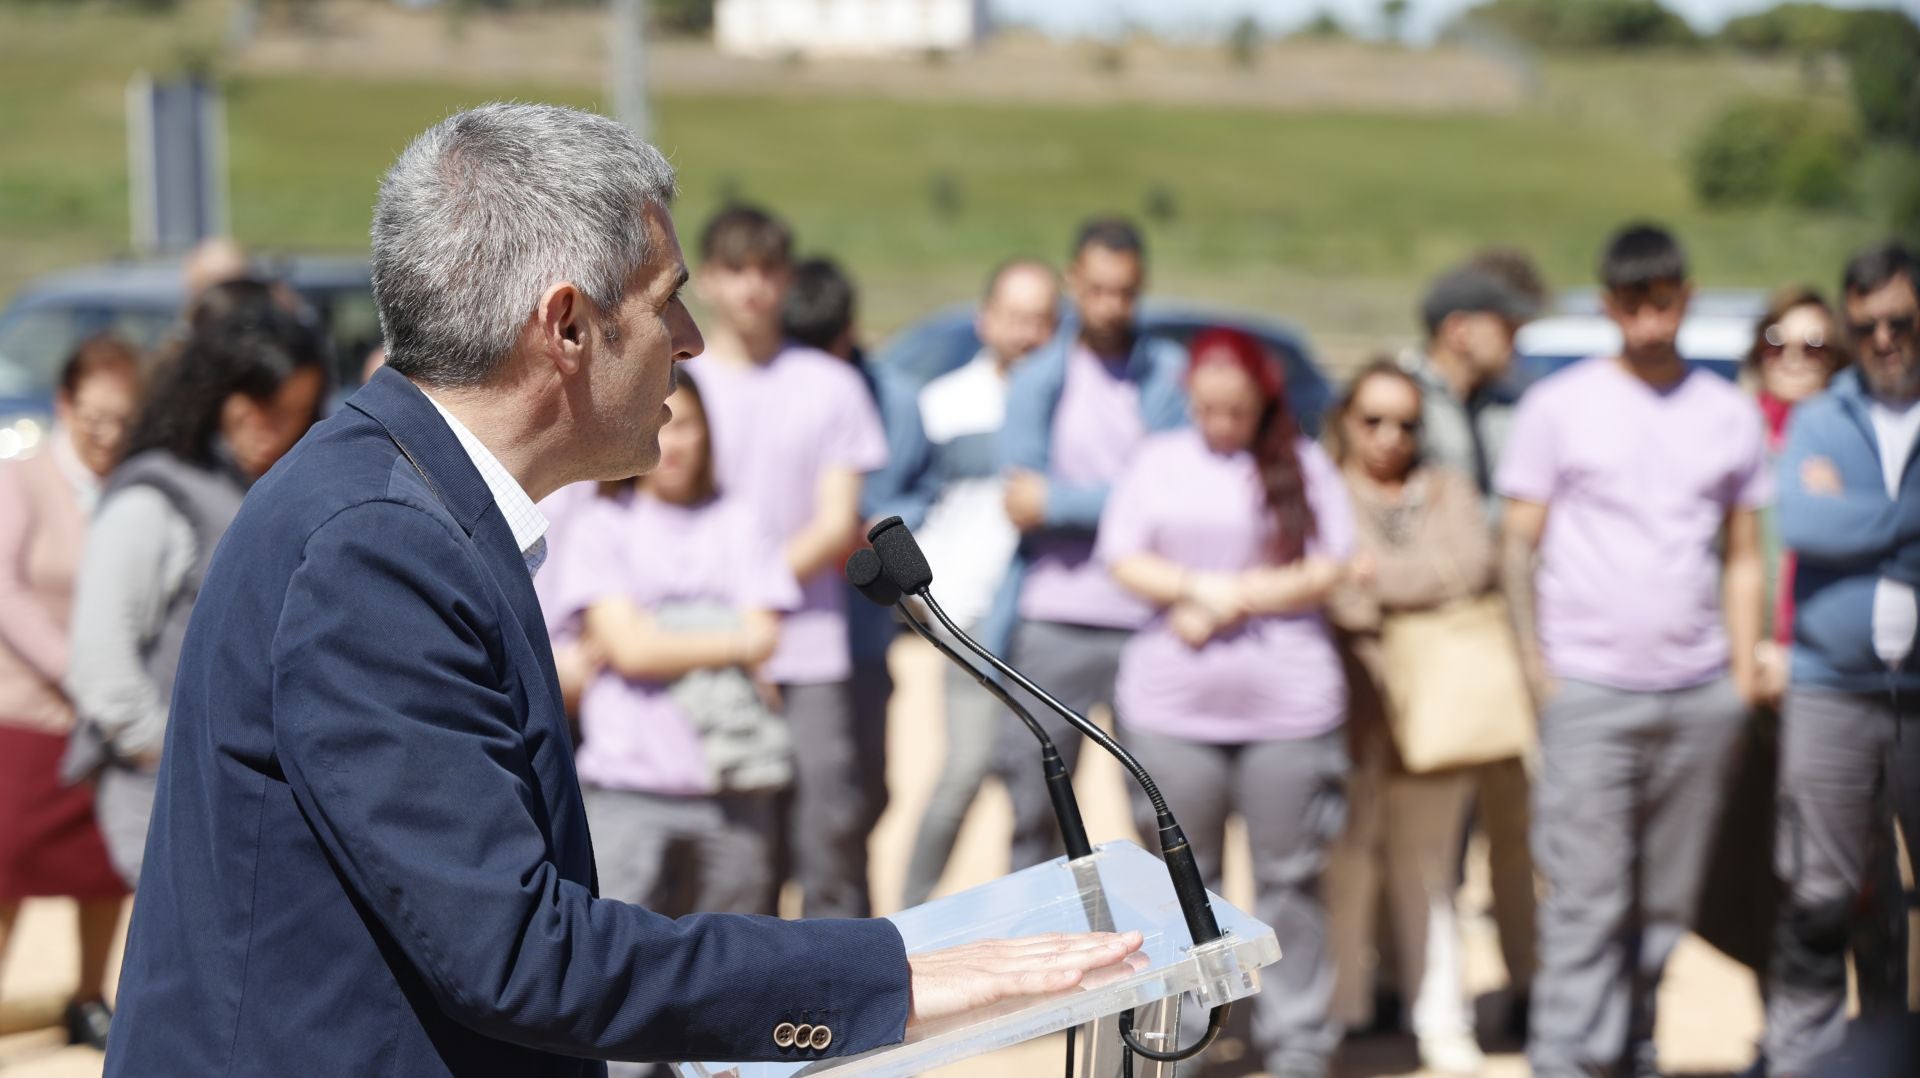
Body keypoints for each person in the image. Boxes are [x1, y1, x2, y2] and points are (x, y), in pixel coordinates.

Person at [102, 104, 1139, 1077]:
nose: (690, 340)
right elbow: (516, 952)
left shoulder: (403, 501)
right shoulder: (374, 543)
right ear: (566, 326)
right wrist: (885, 978)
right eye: (664, 300)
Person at [1499, 223, 1771, 1078]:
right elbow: (1517, 546)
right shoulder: (1559, 406)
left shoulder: (1728, 413)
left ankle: (1632, 1047)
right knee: (1586, 899)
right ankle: (1568, 1059)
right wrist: (1537, 673)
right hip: (1589, 689)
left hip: (1698, 692)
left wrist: (1740, 674)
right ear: (1607, 305)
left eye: (1663, 302)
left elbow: (1744, 555)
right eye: (1631, 304)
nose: (1649, 321)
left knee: (1666, 904)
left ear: (1687, 299)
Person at [1098, 327, 1355, 1078]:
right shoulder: (1158, 461)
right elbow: (1122, 556)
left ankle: (1298, 1039)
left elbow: (1331, 564)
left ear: (1263, 402)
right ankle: (1184, 1037)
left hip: (1289, 711)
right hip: (1173, 710)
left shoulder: (1302, 462)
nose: (1222, 424)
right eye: (1208, 409)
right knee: (1183, 882)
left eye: (1237, 410)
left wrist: (1229, 599)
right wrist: (1193, 587)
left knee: (1291, 878)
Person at [65, 288, 327, 890]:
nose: (274, 430)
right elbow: (101, 667)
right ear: (216, 394)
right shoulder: (153, 501)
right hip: (163, 803)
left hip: (253, 808)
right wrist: (185, 752)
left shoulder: (280, 493)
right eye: (259, 407)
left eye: (294, 412)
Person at [684, 210, 890, 919]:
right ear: (707, 280)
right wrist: (733, 622)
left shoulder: (832, 385)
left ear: (788, 279)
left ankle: (854, 986)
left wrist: (757, 600)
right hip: (703, 645)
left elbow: (837, 524)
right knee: (740, 864)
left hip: (809, 648)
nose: (753, 287)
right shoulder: (677, 382)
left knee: (829, 839)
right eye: (736, 269)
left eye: (768, 270)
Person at [1763, 240, 1920, 1077]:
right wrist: (1906, 519)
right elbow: (1803, 525)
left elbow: (1835, 527)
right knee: (1820, 895)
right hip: (1829, 688)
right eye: (1865, 327)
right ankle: (1805, 1061)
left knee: (1900, 902)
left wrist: (1857, 518)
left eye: (1900, 321)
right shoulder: (1821, 417)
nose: (1883, 340)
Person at [990, 216, 1188, 871]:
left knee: (1163, 809)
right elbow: (1021, 501)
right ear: (1073, 280)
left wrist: (1062, 501)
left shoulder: (1168, 373)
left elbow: (1168, 500)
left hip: (1145, 618)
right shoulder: (1038, 375)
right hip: (1051, 621)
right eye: (1098, 289)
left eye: (1125, 292)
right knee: (1036, 812)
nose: (1110, 306)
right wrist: (1119, 498)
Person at [1323, 360, 1491, 1077]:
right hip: (1347, 710)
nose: (1390, 436)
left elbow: (1473, 567)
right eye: (1374, 420)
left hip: (1440, 711)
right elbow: (1330, 586)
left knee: (1430, 873)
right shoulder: (1324, 490)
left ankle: (1442, 1020)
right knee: (1345, 870)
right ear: (1346, 421)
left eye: (1406, 423)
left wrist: (1374, 581)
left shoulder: (1449, 489)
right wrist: (1423, 582)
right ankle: (1337, 1017)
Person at [1401, 259, 1543, 1032]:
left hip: (1504, 630)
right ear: (1460, 329)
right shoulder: (1397, 403)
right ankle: (1418, 992)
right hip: (1425, 634)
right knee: (1428, 835)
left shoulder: (1513, 404)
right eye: (1506, 325)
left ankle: (1528, 986)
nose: (1516, 340)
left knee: (1516, 825)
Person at [900, 257, 1061, 907]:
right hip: (966, 611)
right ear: (985, 319)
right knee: (964, 772)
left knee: (1041, 780)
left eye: (1040, 319)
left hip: (1046, 615)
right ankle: (908, 912)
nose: (1026, 332)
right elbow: (908, 502)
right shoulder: (941, 404)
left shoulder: (1071, 405)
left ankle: (1045, 922)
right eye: (1014, 316)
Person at [0, 336, 140, 1050]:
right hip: (26, 708)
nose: (106, 434)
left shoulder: (134, 490)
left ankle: (87, 996)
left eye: (122, 420)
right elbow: (5, 591)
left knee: (100, 866)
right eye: (94, 418)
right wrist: (78, 669)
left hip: (103, 718)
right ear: (65, 405)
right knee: (7, 863)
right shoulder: (21, 478)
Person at [781, 256, 931, 886]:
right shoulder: (770, 386)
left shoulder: (896, 398)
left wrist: (871, 528)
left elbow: (924, 490)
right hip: (785, 629)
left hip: (863, 630)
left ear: (850, 332)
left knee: (862, 796)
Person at [1747, 288, 1851, 698]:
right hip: (1739, 650)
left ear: (1836, 358)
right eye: (1776, 342)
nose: (1792, 358)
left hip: (1825, 661)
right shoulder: (1733, 434)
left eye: (1813, 347)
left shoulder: (1858, 444)